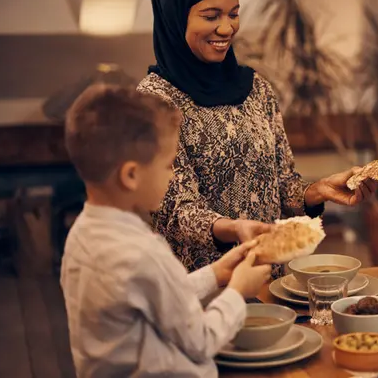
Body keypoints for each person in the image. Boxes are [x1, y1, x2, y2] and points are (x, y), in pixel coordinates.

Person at [137, 0, 376, 273]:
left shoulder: (256, 89)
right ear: (174, 16)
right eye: (211, 16)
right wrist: (235, 228)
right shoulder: (154, 101)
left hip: (267, 279)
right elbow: (175, 213)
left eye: (233, 14)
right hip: (199, 291)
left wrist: (316, 192)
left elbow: (281, 187)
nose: (226, 29)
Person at [61, 85, 272, 376]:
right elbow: (200, 340)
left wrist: (216, 273)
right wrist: (238, 291)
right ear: (132, 175)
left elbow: (157, 297)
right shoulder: (142, 252)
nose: (172, 175)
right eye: (168, 164)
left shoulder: (81, 235)